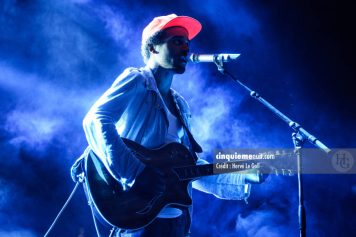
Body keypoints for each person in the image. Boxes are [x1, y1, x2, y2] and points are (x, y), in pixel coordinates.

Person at [73, 14, 265, 237]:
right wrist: (136, 171)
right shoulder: (138, 80)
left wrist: (243, 175)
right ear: (153, 48)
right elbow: (96, 120)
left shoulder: (180, 105)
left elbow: (189, 168)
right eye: (176, 41)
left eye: (187, 43)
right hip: (140, 219)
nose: (185, 48)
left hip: (176, 223)